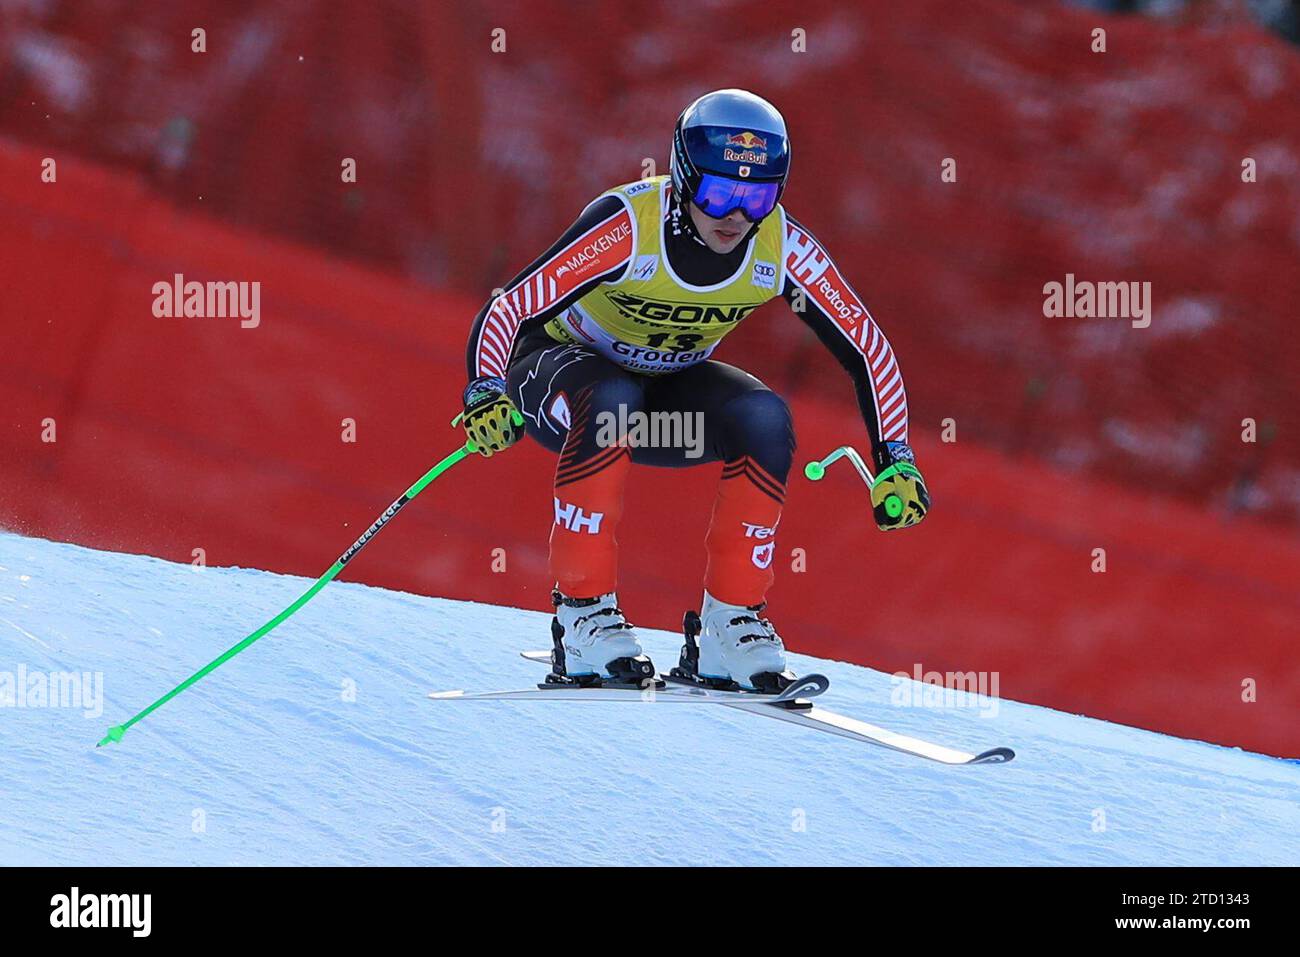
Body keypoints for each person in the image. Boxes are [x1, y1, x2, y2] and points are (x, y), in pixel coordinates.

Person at [460, 89, 929, 692]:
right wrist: (484, 390)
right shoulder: (629, 227)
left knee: (761, 417)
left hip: (660, 399)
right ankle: (583, 616)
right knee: (611, 400)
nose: (735, 214)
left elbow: (867, 346)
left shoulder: (780, 245)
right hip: (555, 380)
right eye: (718, 192)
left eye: (758, 195)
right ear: (682, 176)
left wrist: (897, 458)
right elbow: (511, 308)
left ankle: (729, 625)